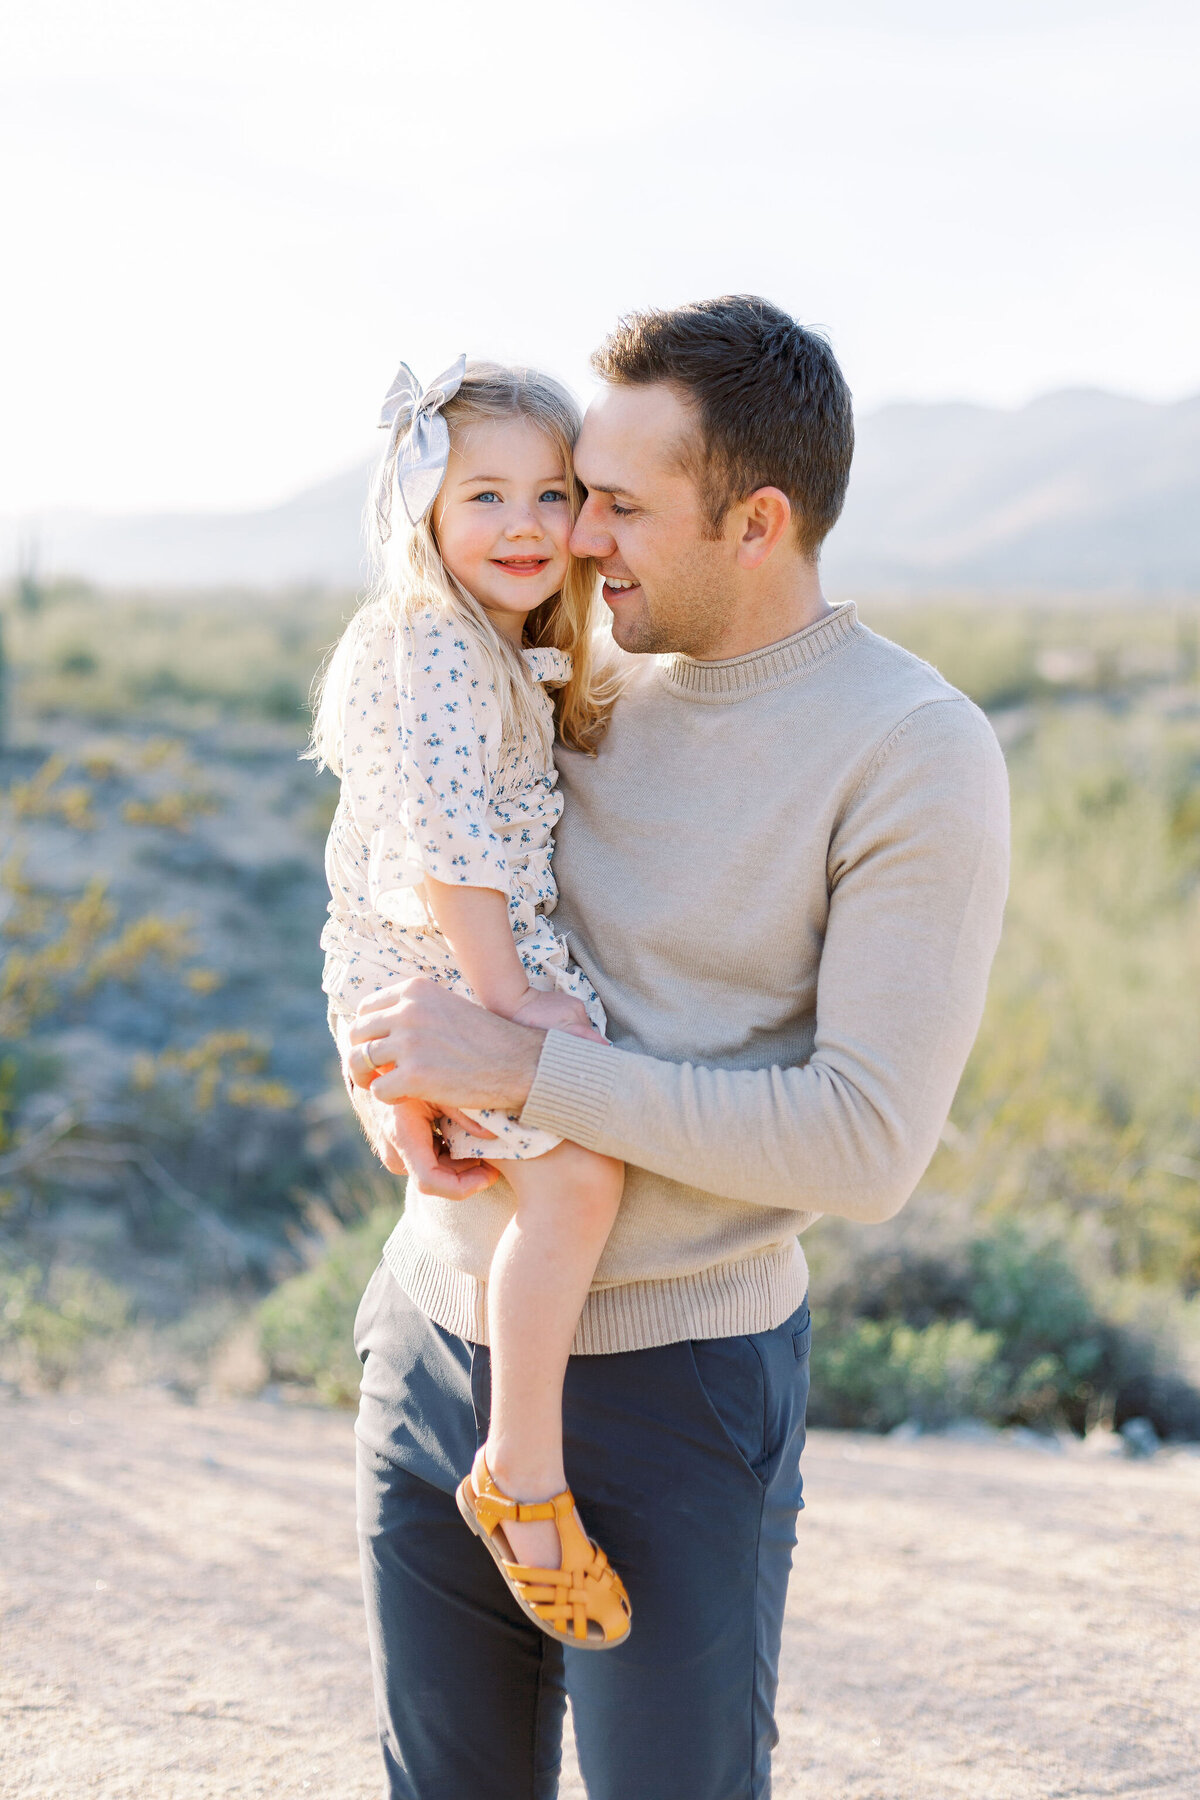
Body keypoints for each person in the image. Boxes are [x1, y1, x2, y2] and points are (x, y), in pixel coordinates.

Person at [342, 296, 1011, 1800]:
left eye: (619, 507)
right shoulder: (563, 676)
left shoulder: (913, 746)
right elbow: (395, 882)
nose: (575, 541)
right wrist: (382, 1069)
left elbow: (864, 1146)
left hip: (677, 1380)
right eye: (573, 496)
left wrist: (520, 1075)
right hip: (430, 1335)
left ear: (757, 519)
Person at [314, 358, 632, 1648]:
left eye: (551, 495)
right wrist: (505, 1014)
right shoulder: (439, 644)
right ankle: (521, 1470)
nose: (522, 525)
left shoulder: (482, 644)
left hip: (409, 960)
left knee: (539, 1180)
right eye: (483, 493)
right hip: (451, 961)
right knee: (576, 1180)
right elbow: (448, 844)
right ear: (423, 517)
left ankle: (510, 1447)